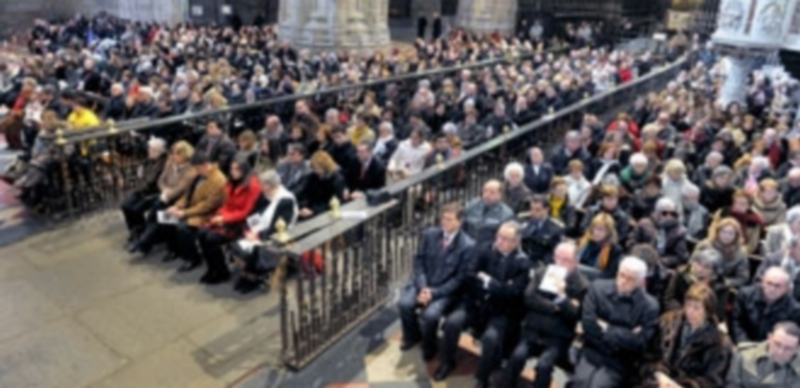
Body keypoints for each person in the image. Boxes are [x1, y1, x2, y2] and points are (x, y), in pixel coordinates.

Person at [434, 221, 530, 387]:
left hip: (499, 311)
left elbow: (514, 293)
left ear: (516, 242)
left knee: (491, 339)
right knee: (452, 323)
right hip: (475, 303)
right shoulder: (484, 249)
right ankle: (447, 362)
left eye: (505, 239)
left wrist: (487, 281)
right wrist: (499, 285)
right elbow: (470, 274)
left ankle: (482, 377)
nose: (499, 241)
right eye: (499, 236)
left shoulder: (523, 263)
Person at [501, 242, 588, 388]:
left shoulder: (582, 285)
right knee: (517, 357)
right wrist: (555, 307)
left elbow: (575, 315)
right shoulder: (542, 272)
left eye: (565, 260)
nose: (559, 263)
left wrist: (562, 296)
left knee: (544, 366)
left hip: (557, 337)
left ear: (575, 262)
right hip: (533, 329)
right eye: (557, 258)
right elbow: (529, 297)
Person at [398, 203, 474, 360]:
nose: (444, 222)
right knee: (404, 304)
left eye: (449, 219)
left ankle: (429, 345)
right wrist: (423, 286)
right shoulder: (430, 234)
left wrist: (434, 293)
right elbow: (419, 262)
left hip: (444, 291)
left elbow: (459, 279)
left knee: (431, 315)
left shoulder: (467, 246)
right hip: (424, 283)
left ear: (459, 222)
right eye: (443, 218)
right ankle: (412, 336)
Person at [570, 256, 660, 387]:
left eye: (630, 279)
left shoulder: (649, 306)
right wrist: (626, 334)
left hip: (619, 360)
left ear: (640, 282)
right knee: (579, 383)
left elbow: (640, 342)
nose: (623, 281)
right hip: (592, 351)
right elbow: (588, 324)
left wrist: (607, 329)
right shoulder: (598, 288)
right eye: (622, 275)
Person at [644, 283, 732, 388]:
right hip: (660, 381)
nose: (690, 311)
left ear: (707, 312)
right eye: (688, 305)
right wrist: (660, 374)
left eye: (696, 308)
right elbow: (650, 355)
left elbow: (712, 380)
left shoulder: (719, 342)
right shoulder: (667, 323)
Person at [229, 170, 298, 294]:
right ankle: (246, 273)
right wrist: (252, 230)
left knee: (253, 250)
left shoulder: (286, 200)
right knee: (236, 243)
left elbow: (280, 226)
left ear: (269, 185)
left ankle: (252, 277)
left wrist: (258, 235)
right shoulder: (265, 194)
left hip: (275, 237)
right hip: (258, 231)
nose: (260, 186)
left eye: (262, 184)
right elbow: (255, 212)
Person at [197, 156, 262, 285]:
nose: (233, 172)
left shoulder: (254, 185)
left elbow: (246, 212)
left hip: (242, 223)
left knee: (211, 238)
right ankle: (212, 268)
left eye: (237, 169)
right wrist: (220, 215)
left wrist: (224, 218)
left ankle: (222, 271)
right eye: (232, 169)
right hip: (228, 218)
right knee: (202, 233)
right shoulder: (231, 183)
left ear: (244, 170)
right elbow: (227, 204)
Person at [128, 141, 197, 257]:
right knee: (155, 211)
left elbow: (180, 189)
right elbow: (161, 180)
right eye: (173, 153)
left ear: (185, 155)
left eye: (177, 154)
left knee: (160, 214)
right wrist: (165, 191)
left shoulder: (190, 170)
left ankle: (144, 241)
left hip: (178, 200)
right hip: (165, 195)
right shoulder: (170, 162)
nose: (173, 156)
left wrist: (167, 194)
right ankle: (145, 241)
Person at [168, 152, 228, 272]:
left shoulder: (218, 180)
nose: (196, 171)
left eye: (197, 168)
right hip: (194, 209)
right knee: (165, 218)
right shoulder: (199, 176)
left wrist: (185, 213)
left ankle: (193, 258)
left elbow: (207, 206)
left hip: (209, 214)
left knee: (183, 227)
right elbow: (188, 195)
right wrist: (178, 206)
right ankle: (177, 251)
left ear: (205, 165)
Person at [731, 266, 800, 344]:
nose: (772, 289)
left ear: (786, 288)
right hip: (743, 342)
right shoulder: (745, 295)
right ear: (762, 283)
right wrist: (743, 343)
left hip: (774, 347)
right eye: (769, 283)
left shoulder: (795, 310)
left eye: (777, 286)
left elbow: (792, 336)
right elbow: (736, 321)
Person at [121, 137, 168, 247]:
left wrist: (138, 188)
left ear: (159, 151)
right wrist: (137, 186)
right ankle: (135, 231)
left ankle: (143, 236)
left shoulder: (162, 163)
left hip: (153, 192)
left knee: (135, 207)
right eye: (149, 149)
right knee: (125, 205)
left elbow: (151, 181)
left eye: (151, 150)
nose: (149, 152)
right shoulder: (148, 161)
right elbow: (140, 176)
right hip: (143, 190)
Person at [726, 321, 800, 387]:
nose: (780, 352)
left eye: (788, 348)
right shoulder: (745, 355)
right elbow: (732, 384)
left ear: (797, 348)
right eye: (777, 344)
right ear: (769, 337)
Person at [297, 151, 346, 219]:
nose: (316, 170)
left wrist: (314, 211)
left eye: (319, 168)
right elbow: (302, 193)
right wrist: (302, 207)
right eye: (314, 168)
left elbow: (335, 201)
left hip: (325, 211)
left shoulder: (336, 179)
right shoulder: (312, 177)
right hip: (310, 208)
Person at [520, 195, 564, 266]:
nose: (533, 212)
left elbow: (553, 252)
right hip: (522, 260)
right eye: (531, 209)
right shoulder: (523, 220)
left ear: (546, 210)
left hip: (540, 263)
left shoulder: (555, 228)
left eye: (537, 210)